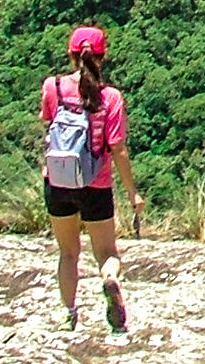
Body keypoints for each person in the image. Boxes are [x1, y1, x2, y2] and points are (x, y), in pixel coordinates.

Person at [40, 25, 143, 334]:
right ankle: (109, 279)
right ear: (103, 56)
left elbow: (47, 128)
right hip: (95, 184)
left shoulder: (53, 87)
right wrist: (132, 192)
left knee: (68, 252)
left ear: (71, 55)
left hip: (58, 181)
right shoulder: (110, 97)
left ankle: (68, 314)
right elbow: (118, 148)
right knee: (107, 253)